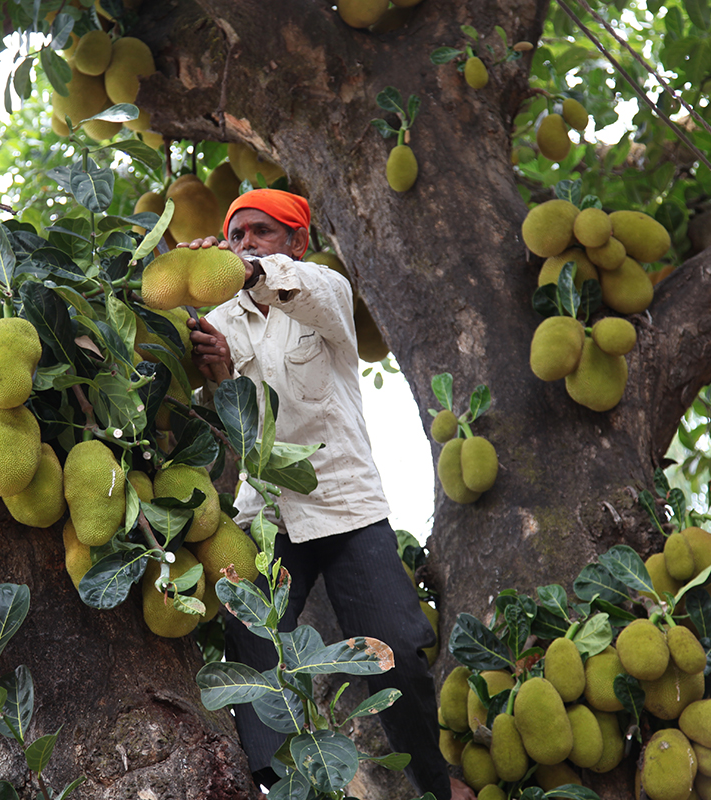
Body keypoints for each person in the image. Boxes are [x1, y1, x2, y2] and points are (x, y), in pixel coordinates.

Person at [181, 189, 469, 800]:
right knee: (254, 651)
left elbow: (299, 290)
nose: (244, 243)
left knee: (399, 650)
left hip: (346, 505)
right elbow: (225, 392)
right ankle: (276, 788)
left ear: (296, 242)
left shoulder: (324, 291)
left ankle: (437, 784)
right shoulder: (223, 317)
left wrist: (252, 271)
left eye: (261, 232)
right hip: (268, 514)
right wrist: (190, 294)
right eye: (236, 236)